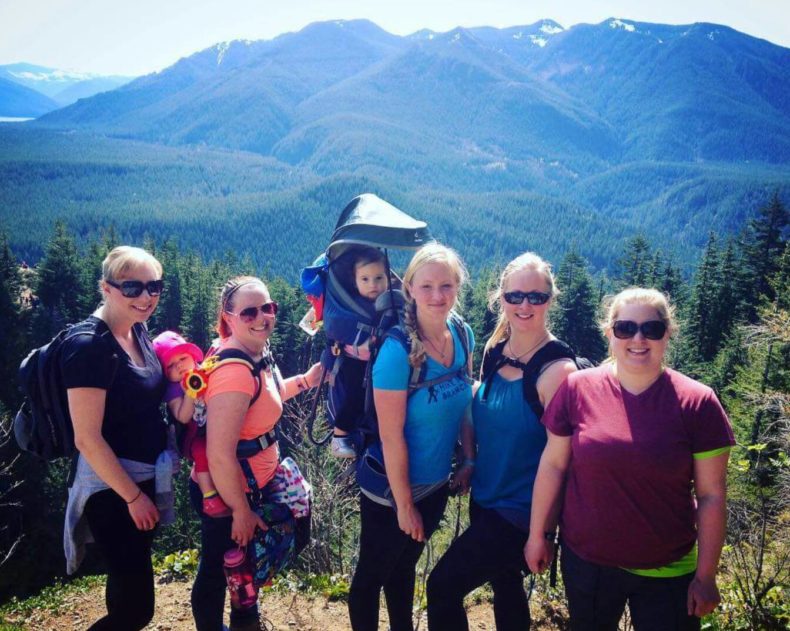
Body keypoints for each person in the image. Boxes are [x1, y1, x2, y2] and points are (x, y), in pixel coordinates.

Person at [526, 287, 735, 631]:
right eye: (625, 328)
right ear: (609, 333)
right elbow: (554, 465)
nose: (638, 338)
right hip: (588, 563)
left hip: (668, 570)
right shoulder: (577, 389)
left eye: (651, 329)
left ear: (668, 334)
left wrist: (706, 576)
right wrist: (539, 535)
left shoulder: (698, 403)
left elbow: (712, 495)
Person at [427, 252, 576, 631]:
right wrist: (470, 461)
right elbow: (480, 411)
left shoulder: (558, 372)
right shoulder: (497, 352)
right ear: (501, 298)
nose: (524, 305)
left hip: (520, 512)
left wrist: (542, 533)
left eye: (536, 297)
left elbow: (561, 460)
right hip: (486, 498)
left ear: (550, 300)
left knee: (442, 586)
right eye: (515, 296)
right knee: (506, 585)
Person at [348, 243, 475, 631]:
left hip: (435, 484)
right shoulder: (396, 351)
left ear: (457, 287)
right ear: (411, 290)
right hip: (390, 490)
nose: (438, 296)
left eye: (447, 286)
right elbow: (391, 436)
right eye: (427, 286)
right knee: (371, 576)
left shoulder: (463, 334)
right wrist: (404, 505)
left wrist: (468, 458)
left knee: (404, 567)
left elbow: (465, 400)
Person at [190, 275, 323, 631]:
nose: (262, 317)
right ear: (228, 317)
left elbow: (272, 396)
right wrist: (240, 510)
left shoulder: (256, 354)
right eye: (249, 312)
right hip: (230, 490)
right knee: (225, 571)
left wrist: (308, 379)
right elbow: (219, 454)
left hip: (249, 484)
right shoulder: (234, 371)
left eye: (269, 307)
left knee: (238, 568)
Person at [63, 246, 169, 630]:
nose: (146, 297)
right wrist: (134, 497)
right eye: (132, 287)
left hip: (140, 480)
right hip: (113, 491)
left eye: (154, 286)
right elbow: (87, 439)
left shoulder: (136, 332)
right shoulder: (91, 347)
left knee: (126, 587)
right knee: (135, 610)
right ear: (106, 288)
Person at [153, 330, 231, 517]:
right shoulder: (173, 389)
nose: (179, 366)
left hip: (216, 423)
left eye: (182, 358)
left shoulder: (202, 369)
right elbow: (182, 416)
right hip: (195, 434)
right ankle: (209, 495)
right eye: (171, 365)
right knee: (201, 451)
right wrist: (190, 391)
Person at [331, 246, 388, 458]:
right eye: (365, 279)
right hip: (355, 361)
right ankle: (339, 436)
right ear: (354, 280)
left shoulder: (388, 301)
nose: (373, 285)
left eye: (378, 278)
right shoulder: (352, 305)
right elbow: (336, 330)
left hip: (376, 361)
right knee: (354, 396)